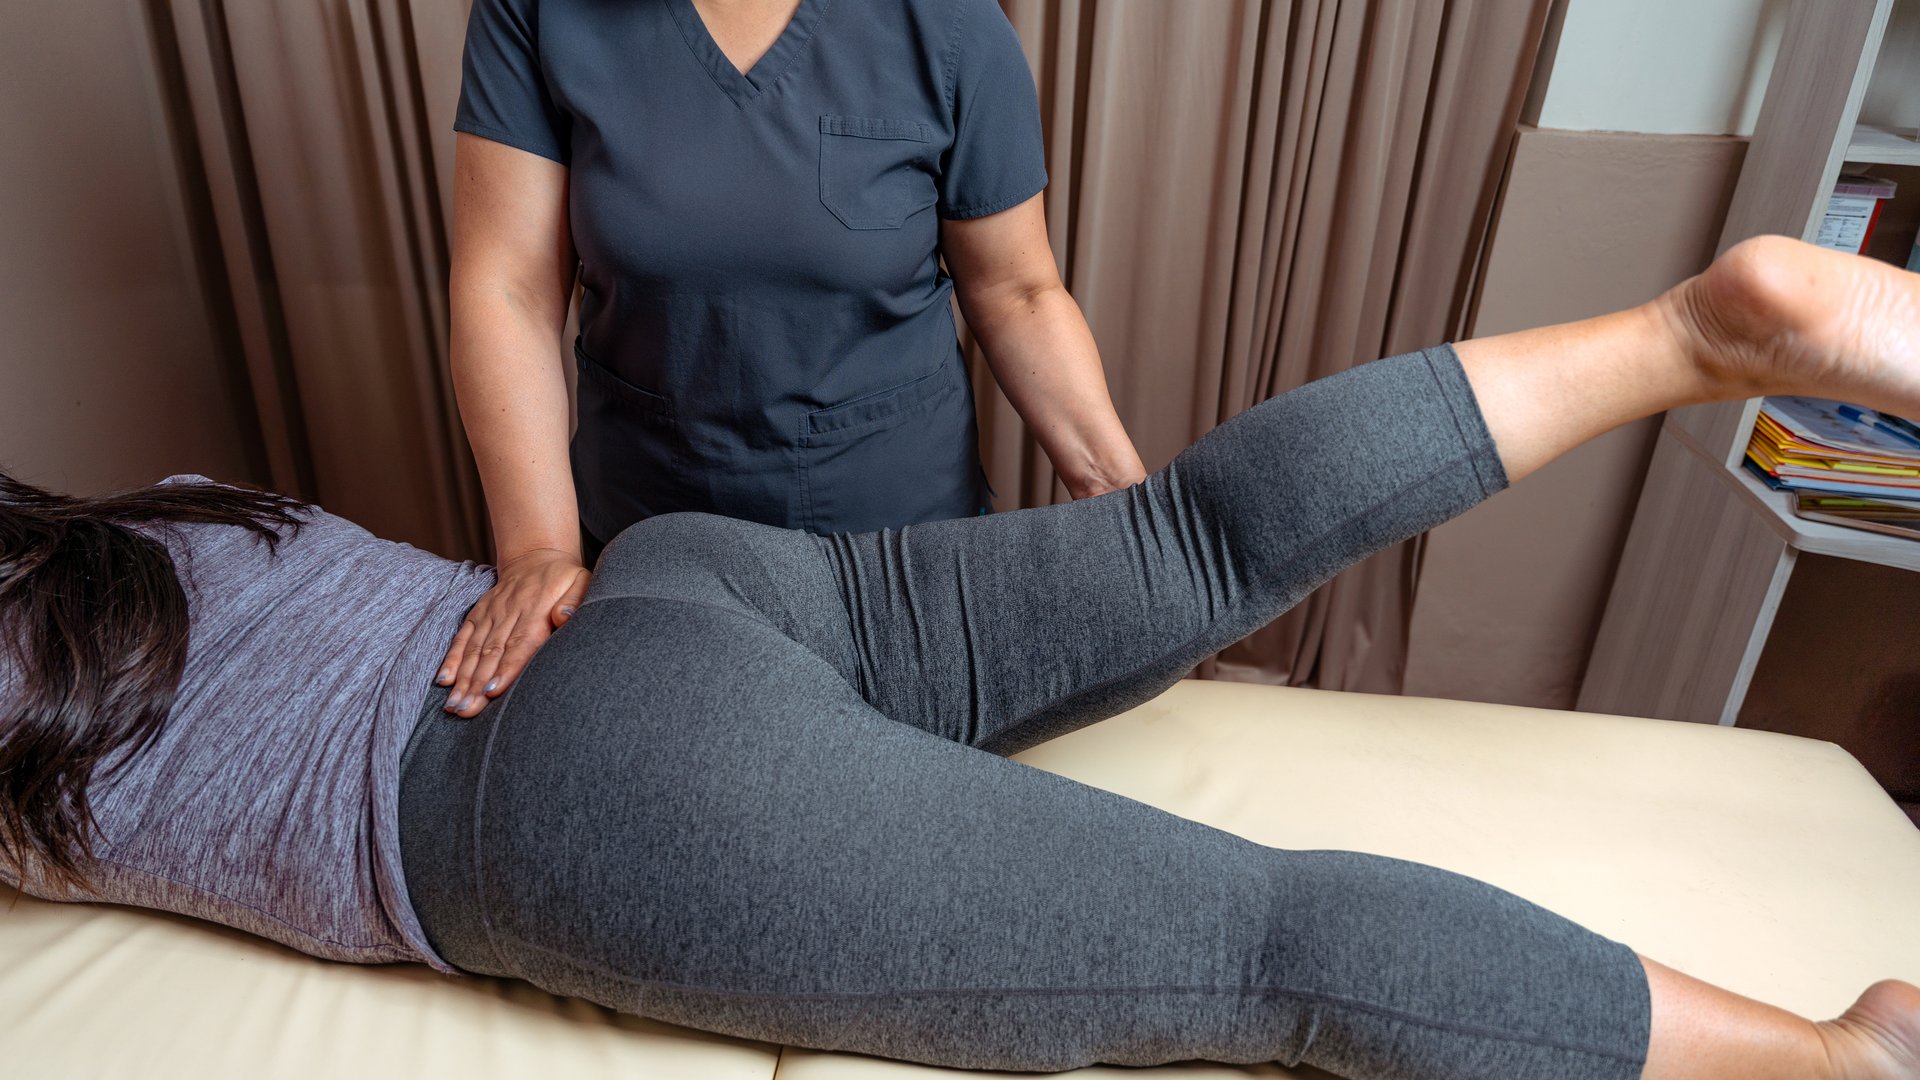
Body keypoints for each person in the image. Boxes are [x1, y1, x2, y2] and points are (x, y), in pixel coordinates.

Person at [4, 237, 1919, 1080]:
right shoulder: (150, 516)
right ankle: (1694, 331)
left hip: (566, 797)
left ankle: (1844, 1060)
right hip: (677, 587)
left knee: (1269, 951)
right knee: (1192, 537)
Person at [442, 0, 1146, 715]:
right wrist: (537, 553)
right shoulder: (536, 13)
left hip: (900, 570)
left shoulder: (948, 21)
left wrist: (1131, 515)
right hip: (653, 558)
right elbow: (510, 289)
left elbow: (1018, 292)